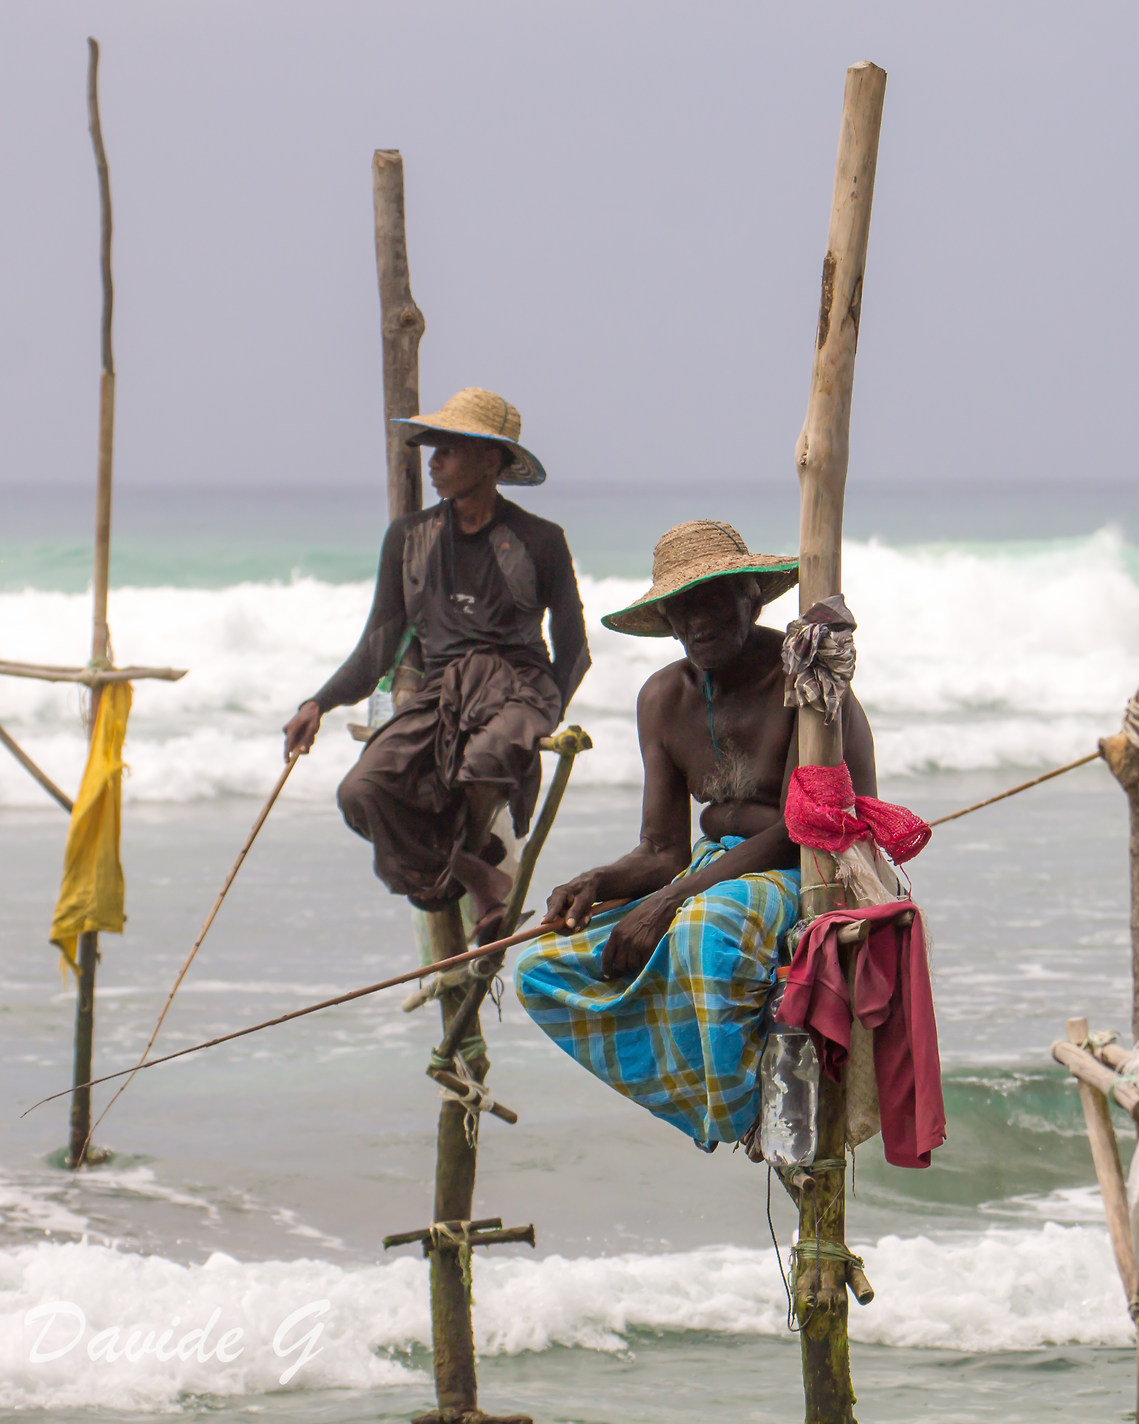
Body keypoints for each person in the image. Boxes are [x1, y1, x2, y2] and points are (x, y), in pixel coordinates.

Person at [515, 519, 877, 1148]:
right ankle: (707, 1095)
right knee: (544, 968)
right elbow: (662, 851)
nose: (698, 624)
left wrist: (670, 900)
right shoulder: (662, 698)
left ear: (752, 599)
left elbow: (805, 827)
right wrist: (597, 881)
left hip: (812, 865)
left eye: (712, 603)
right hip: (711, 869)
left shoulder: (804, 680)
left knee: (704, 931)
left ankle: (740, 1117)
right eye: (682, 611)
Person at [283, 388, 588, 941]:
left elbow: (574, 648)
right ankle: (477, 872)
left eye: (448, 449)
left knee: (489, 759)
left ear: (490, 460)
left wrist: (544, 715)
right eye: (434, 449)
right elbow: (378, 644)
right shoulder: (408, 538)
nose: (433, 463)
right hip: (441, 692)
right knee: (361, 792)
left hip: (520, 685)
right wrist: (317, 703)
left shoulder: (540, 540)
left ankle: (478, 869)